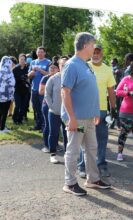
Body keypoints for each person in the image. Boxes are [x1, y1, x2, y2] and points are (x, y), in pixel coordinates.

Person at [61, 32, 110, 196]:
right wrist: (72, 118)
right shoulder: (72, 64)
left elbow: (91, 91)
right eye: (92, 45)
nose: (94, 48)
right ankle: (70, 183)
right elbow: (65, 92)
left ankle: (93, 179)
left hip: (89, 117)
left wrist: (95, 111)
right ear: (84, 46)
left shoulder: (85, 64)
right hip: (78, 118)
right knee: (74, 150)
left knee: (91, 148)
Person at [77, 44, 116, 178]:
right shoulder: (84, 66)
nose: (95, 55)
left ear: (102, 54)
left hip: (101, 110)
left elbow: (111, 90)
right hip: (84, 110)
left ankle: (101, 164)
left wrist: (114, 108)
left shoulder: (107, 69)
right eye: (93, 53)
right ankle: (82, 166)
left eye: (98, 53)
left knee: (102, 138)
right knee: (83, 138)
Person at [45, 56, 69, 164]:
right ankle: (53, 154)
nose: (64, 66)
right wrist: (52, 106)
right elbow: (47, 94)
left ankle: (67, 154)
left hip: (68, 113)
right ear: (58, 66)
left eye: (66, 64)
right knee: (53, 133)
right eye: (62, 64)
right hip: (54, 112)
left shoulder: (72, 78)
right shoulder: (53, 78)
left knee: (67, 134)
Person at [28, 46, 51, 131]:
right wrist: (31, 73)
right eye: (38, 52)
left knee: (43, 109)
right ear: (36, 53)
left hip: (43, 90)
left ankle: (44, 126)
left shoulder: (48, 62)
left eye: (42, 52)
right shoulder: (33, 62)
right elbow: (29, 76)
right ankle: (38, 125)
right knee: (36, 108)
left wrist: (39, 69)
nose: (40, 53)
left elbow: (49, 74)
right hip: (34, 89)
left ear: (44, 53)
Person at [39, 64, 59, 153]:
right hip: (47, 105)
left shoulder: (61, 78)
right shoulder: (45, 78)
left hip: (59, 105)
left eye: (55, 67)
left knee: (57, 127)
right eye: (51, 68)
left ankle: (55, 145)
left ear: (58, 69)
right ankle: (47, 145)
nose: (53, 69)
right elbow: (40, 91)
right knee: (48, 125)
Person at [12, 53, 30, 125]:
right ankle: (14, 119)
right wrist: (21, 78)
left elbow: (29, 77)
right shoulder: (15, 69)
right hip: (17, 90)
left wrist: (26, 78)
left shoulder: (27, 68)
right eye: (21, 59)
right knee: (17, 106)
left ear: (25, 60)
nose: (22, 61)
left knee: (23, 106)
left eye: (23, 59)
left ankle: (20, 119)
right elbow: (13, 79)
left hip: (25, 90)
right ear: (19, 59)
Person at [0, 56, 15, 133]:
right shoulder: (9, 72)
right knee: (4, 112)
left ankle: (1, 126)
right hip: (6, 95)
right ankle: (2, 128)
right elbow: (12, 83)